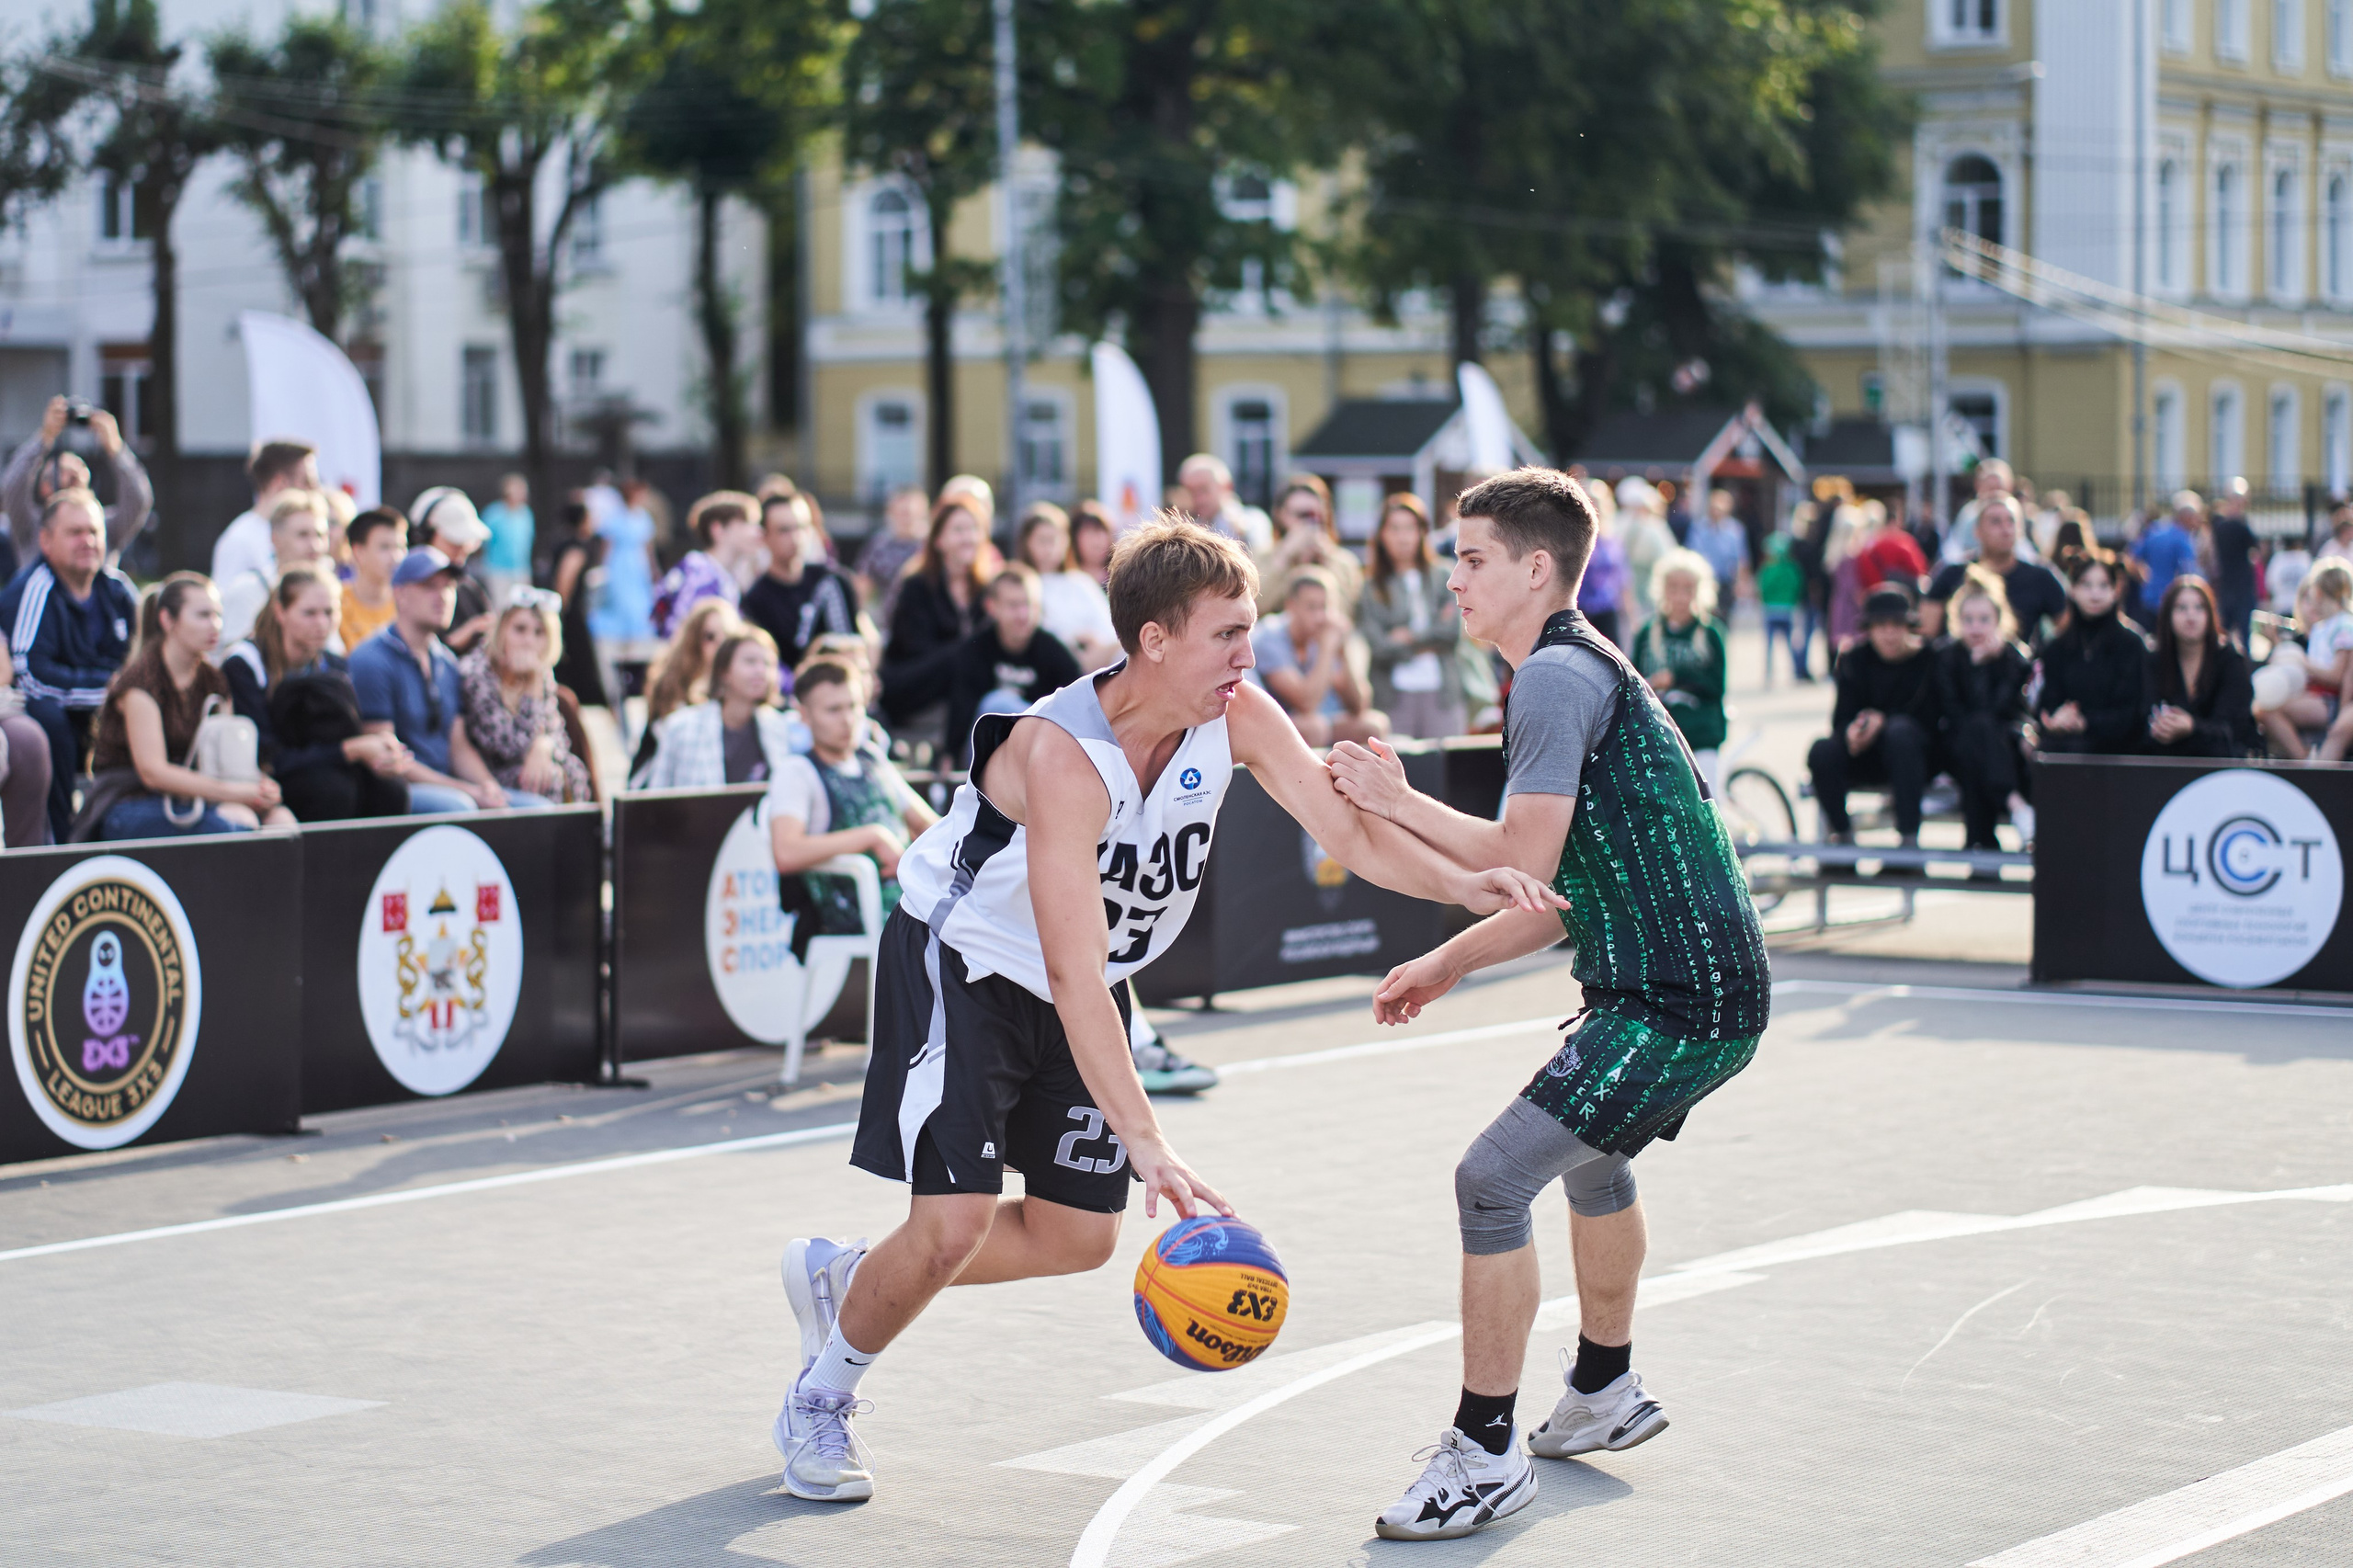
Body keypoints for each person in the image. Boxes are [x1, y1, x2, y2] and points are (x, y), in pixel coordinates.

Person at [771, 515, 1562, 1504]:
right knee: (951, 1223)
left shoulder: (1236, 715)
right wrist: (1147, 1138)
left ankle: (852, 1281)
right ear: (1154, 638)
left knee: (1077, 1236)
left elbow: (1347, 834)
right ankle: (822, 1391)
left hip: (1080, 978)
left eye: (1252, 629)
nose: (1249, 651)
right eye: (1227, 633)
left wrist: (1473, 882)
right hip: (966, 960)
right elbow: (1070, 971)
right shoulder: (1061, 754)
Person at [1318, 468, 1770, 1542]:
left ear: (1536, 568)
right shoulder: (1567, 673)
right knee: (1589, 1152)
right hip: (1690, 986)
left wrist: (1396, 798)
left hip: (1678, 995)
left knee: (1492, 1176)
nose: (1452, 579)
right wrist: (1451, 961)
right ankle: (1604, 1385)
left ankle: (1483, 1449)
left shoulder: (1556, 681)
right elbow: (1558, 887)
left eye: (1471, 558)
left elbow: (1520, 853)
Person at [79, 574, 292, 840]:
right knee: (233, 827)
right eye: (203, 615)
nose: (215, 625)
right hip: (128, 802)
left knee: (282, 823)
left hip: (195, 797)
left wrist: (258, 786)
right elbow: (153, 773)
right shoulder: (140, 681)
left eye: (218, 615)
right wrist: (235, 794)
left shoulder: (213, 678)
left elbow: (227, 759)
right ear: (167, 620)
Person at [767, 657, 939, 940]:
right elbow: (785, 853)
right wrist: (872, 836)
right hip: (850, 911)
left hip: (909, 898)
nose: (848, 720)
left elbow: (927, 824)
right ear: (804, 715)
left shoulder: (870, 756)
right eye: (833, 710)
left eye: (853, 707)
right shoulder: (796, 771)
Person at [3, 488, 140, 842]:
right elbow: (31, 675)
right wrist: (110, 689)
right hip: (56, 720)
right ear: (45, 542)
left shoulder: (118, 590)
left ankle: (130, 825)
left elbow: (139, 663)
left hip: (107, 713)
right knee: (47, 717)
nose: (87, 541)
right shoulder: (33, 589)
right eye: (75, 532)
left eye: (94, 531)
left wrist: (122, 694)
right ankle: (63, 842)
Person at [223, 565, 412, 822]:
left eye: (329, 612)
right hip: (271, 778)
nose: (322, 624)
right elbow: (269, 758)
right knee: (332, 792)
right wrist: (350, 750)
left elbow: (350, 732)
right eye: (309, 613)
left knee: (391, 790)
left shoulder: (334, 665)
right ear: (281, 612)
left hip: (327, 765)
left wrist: (383, 750)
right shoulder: (246, 664)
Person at [348, 548, 523, 814]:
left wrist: (488, 787)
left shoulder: (447, 661)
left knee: (537, 809)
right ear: (400, 594)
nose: (443, 596)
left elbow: (458, 745)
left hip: (450, 788)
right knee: (460, 806)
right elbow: (388, 759)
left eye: (449, 587)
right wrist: (469, 792)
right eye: (430, 586)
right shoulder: (371, 658)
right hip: (396, 794)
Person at [1808, 586, 1938, 852]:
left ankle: (1908, 841)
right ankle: (1842, 838)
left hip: (1915, 758)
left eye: (1897, 625)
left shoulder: (1927, 659)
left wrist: (1884, 722)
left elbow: (1932, 720)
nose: (1889, 633)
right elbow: (1840, 719)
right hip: (1867, 754)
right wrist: (1853, 732)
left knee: (1900, 733)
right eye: (1881, 625)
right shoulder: (1854, 660)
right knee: (1821, 750)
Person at [1933, 566, 2036, 852]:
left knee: (1980, 744)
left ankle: (1980, 846)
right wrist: (1978, 668)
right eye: (1968, 620)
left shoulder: (2015, 657)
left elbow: (2008, 711)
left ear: (1999, 621)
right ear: (1956, 621)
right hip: (1961, 746)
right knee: (1975, 735)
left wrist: (1995, 663)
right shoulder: (1947, 657)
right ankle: (2016, 807)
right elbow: (1956, 715)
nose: (1976, 628)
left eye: (1983, 620)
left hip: (2005, 748)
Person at [460, 591, 594, 804]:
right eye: (519, 630)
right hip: (490, 778)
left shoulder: (540, 672)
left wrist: (544, 745)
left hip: (532, 767)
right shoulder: (477, 673)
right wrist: (532, 687)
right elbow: (508, 746)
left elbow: (558, 735)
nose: (528, 641)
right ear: (502, 630)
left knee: (572, 769)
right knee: (545, 780)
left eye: (539, 632)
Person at [881, 496, 995, 740]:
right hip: (911, 683)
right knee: (964, 655)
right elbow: (915, 649)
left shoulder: (987, 590)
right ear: (939, 540)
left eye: (974, 529)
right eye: (958, 530)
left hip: (963, 687)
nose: (968, 537)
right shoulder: (916, 587)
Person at [944, 565, 1083, 766]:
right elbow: (961, 709)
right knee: (997, 705)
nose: (1022, 614)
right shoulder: (974, 650)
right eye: (1013, 605)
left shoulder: (1053, 650)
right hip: (983, 759)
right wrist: (948, 755)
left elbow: (1075, 706)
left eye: (1028, 605)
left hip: (1040, 755)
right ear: (992, 607)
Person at [2, 395, 153, 574]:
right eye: (63, 470)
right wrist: (44, 438)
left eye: (81, 467)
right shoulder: (32, 525)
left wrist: (116, 448)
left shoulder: (105, 525)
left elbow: (139, 499)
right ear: (44, 488)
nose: (86, 540)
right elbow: (12, 487)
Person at [639, 626, 803, 789]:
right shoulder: (682, 727)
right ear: (724, 671)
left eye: (768, 664)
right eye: (750, 661)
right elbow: (657, 796)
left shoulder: (781, 728)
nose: (760, 671)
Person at [1360, 493, 1468, 739]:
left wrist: (1406, 637)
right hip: (1394, 694)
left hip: (1442, 692)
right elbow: (1379, 647)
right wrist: (1428, 641)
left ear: (1422, 532)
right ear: (1382, 534)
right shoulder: (1372, 586)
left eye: (1410, 528)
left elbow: (1450, 633)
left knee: (1445, 770)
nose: (1403, 537)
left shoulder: (1444, 575)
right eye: (1395, 529)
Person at [1629, 549, 1728, 797]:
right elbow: (1632, 687)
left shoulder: (1710, 633)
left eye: (1688, 588)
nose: (1680, 596)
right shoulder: (1647, 633)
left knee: (1707, 802)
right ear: (1661, 589)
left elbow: (1717, 687)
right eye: (1673, 587)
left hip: (1700, 733)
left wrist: (1678, 678)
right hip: (1657, 736)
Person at [1253, 566, 1388, 746]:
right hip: (1277, 723)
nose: (1320, 616)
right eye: (1311, 607)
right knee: (1315, 728)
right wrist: (1327, 649)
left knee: (1373, 726)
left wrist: (1343, 652)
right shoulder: (1270, 637)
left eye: (1324, 607)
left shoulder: (1327, 632)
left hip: (1323, 720)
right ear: (1291, 606)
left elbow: (1358, 706)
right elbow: (1305, 703)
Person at [2033, 553, 2152, 757]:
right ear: (2072, 589)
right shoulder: (2056, 646)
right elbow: (2047, 700)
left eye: (2103, 586)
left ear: (2115, 590)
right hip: (2065, 746)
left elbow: (2134, 711)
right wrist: (2057, 718)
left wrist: (2086, 722)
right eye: (2086, 585)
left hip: (2120, 751)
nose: (2095, 594)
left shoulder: (2132, 644)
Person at [1924, 494, 2067, 647]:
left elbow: (2067, 630)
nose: (2005, 529)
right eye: (1995, 522)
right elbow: (1926, 633)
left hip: (2018, 667)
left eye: (2011, 521)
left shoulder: (2041, 576)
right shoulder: (1952, 573)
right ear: (1977, 530)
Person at [742, 491, 858, 675]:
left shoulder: (834, 580)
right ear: (764, 536)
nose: (796, 538)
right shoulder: (755, 600)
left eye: (802, 527)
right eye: (784, 530)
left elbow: (859, 643)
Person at [2144, 575, 2258, 759]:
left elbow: (2235, 729)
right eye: (2181, 608)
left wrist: (2191, 727)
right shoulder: (2153, 660)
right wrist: (2162, 727)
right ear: (2167, 615)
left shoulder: (2230, 660)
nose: (2191, 616)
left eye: (2199, 608)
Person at [631, 599, 745, 782]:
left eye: (727, 637)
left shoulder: (742, 691)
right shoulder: (672, 687)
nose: (719, 644)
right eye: (710, 636)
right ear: (693, 641)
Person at [2256, 562, 2353, 760]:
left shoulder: (2344, 626)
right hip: (2312, 694)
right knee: (2264, 710)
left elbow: (2338, 677)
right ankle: (2303, 757)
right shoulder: (2321, 628)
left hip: (2327, 700)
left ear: (2318, 593)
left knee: (2269, 711)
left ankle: (2307, 765)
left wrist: (2302, 662)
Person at [219, 489, 333, 648]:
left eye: (320, 535)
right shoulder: (247, 591)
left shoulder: (330, 591)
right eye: (302, 535)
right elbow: (235, 663)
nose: (315, 545)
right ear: (275, 539)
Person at [1013, 503, 1119, 672]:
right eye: (1042, 540)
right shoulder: (1020, 584)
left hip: (1092, 657)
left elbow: (1109, 627)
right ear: (1027, 542)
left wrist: (1096, 641)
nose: (1049, 548)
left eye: (1054, 540)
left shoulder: (1080, 582)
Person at [654, 491, 765, 638]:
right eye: (747, 523)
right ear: (717, 529)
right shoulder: (700, 574)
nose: (758, 531)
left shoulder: (722, 577)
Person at [1258, 475, 1364, 618]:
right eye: (1302, 515)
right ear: (1281, 515)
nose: (1309, 524)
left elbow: (1347, 614)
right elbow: (1256, 606)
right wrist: (1285, 556)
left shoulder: (1344, 562)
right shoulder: (1262, 557)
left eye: (1316, 517)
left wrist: (1327, 561)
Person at [411, 488, 498, 656]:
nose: (462, 551)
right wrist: (464, 635)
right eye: (453, 542)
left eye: (466, 543)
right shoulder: (410, 588)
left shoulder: (470, 588)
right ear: (424, 537)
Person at [546, 498, 608, 708]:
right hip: (570, 617)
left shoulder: (568, 542)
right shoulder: (576, 547)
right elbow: (564, 584)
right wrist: (559, 617)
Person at [588, 476, 659, 643]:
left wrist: (654, 570)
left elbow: (648, 548)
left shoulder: (643, 517)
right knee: (619, 599)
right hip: (619, 565)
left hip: (636, 565)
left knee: (639, 600)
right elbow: (607, 546)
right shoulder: (615, 517)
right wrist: (601, 567)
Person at [856, 483, 930, 626]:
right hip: (890, 625)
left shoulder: (933, 545)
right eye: (901, 513)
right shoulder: (879, 545)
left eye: (910, 513)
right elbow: (861, 588)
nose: (906, 519)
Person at [2131, 492, 2206, 625]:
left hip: (2149, 598)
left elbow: (2132, 559)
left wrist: (2145, 580)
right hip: (2172, 602)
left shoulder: (2155, 530)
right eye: (2195, 517)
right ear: (2186, 517)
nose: (2197, 521)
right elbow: (2188, 574)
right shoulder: (2183, 540)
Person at [1574, 478, 1633, 646]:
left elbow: (1623, 579)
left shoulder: (1613, 540)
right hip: (1580, 609)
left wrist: (1630, 615)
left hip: (1607, 609)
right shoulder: (1573, 540)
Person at [340, 506, 407, 653]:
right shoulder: (335, 604)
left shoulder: (409, 605)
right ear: (358, 552)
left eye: (402, 547)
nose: (396, 557)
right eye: (385, 547)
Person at [1178, 452, 1274, 554]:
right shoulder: (1182, 526)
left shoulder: (1252, 520)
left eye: (1204, 489)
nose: (1198, 499)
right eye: (1190, 491)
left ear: (1226, 487)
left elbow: (1260, 558)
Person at [2206, 479, 2261, 650]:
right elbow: (2255, 552)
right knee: (2243, 634)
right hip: (2240, 587)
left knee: (2225, 632)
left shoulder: (2219, 526)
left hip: (2227, 585)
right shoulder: (2241, 526)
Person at [1938, 457, 2022, 566]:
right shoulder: (1969, 512)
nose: (1994, 494)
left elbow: (2023, 548)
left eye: (1999, 488)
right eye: (1990, 488)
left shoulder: (2014, 509)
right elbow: (1954, 548)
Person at [1756, 531, 1808, 682]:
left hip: (1771, 610)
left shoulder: (1768, 569)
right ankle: (1795, 670)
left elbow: (1763, 588)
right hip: (1788, 610)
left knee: (1769, 645)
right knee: (1791, 643)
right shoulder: (1792, 568)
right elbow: (1798, 586)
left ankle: (1769, 673)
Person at [1686, 488, 1748, 608]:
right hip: (1704, 580)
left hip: (1726, 582)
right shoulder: (1699, 528)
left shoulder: (1735, 529)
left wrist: (1741, 582)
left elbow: (1741, 558)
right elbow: (1693, 552)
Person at [479, 474, 536, 600]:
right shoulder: (493, 514)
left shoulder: (526, 514)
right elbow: (483, 543)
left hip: (521, 570)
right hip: (498, 571)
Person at [1070, 501, 1116, 588]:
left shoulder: (1120, 579)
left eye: (1100, 531)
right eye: (1089, 532)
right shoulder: (1066, 580)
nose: (1096, 540)